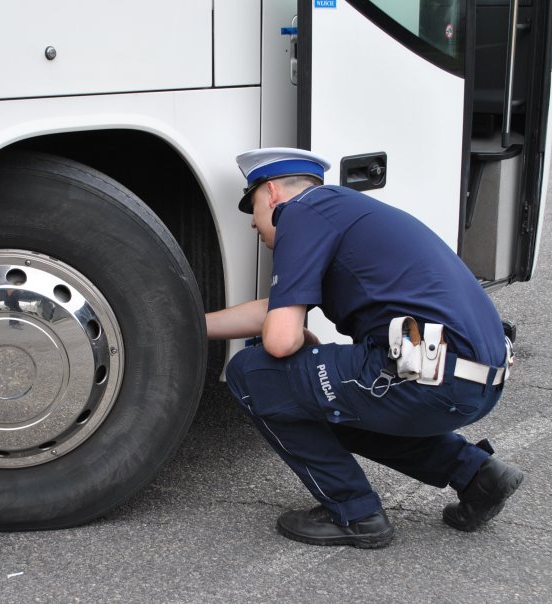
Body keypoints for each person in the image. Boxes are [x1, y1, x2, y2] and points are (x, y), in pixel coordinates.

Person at [205, 148, 524, 549]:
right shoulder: (339, 212)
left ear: (271, 194)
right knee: (328, 400)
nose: (253, 223)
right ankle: (478, 477)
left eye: (252, 208)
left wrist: (297, 342)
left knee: (254, 373)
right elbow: (273, 313)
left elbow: (281, 339)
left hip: (432, 377)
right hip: (474, 380)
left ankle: (354, 513)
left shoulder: (301, 213)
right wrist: (192, 326)